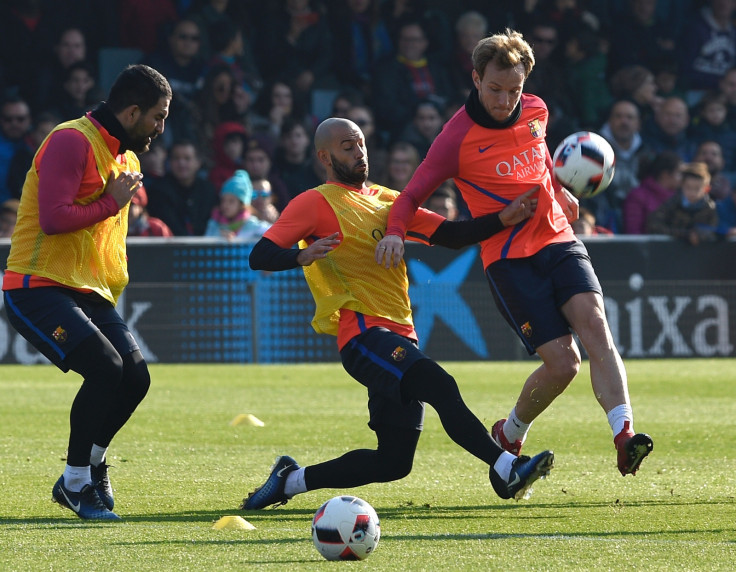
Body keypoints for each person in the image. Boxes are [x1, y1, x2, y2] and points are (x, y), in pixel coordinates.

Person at [376, 29, 653, 478]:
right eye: (495, 89)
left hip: (559, 239)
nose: (505, 100)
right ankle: (510, 433)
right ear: (475, 78)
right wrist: (393, 233)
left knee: (598, 328)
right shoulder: (455, 139)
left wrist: (560, 191)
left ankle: (625, 438)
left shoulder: (537, 111)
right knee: (564, 364)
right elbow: (409, 197)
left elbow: (541, 159)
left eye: (514, 90)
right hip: (509, 259)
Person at [242, 117, 553, 510]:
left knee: (393, 461)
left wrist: (501, 220)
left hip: (400, 335)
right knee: (440, 384)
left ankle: (290, 482)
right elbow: (259, 255)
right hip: (363, 336)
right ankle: (507, 467)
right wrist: (300, 255)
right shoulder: (315, 202)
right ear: (324, 156)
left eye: (359, 144)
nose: (358, 152)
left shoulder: (390, 201)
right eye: (346, 147)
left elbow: (451, 235)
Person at [2, 64, 171, 520]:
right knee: (104, 367)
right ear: (132, 112)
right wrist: (111, 203)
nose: (161, 128)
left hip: (90, 292)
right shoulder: (71, 140)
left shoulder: (128, 159)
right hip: (36, 284)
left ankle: (90, 467)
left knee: (136, 377)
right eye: (158, 117)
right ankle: (75, 483)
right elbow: (54, 219)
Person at [146, 139, 218, 236]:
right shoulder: (158, 191)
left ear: (198, 162)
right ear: (169, 162)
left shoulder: (208, 190)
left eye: (187, 158)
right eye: (176, 158)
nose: (181, 163)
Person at [647, 161, 718, 245]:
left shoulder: (710, 209)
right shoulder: (671, 204)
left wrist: (699, 235)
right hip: (670, 251)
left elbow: (714, 231)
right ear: (682, 186)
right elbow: (653, 225)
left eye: (697, 189)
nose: (692, 192)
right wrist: (685, 235)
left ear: (706, 189)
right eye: (688, 187)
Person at [622, 150, 683, 235]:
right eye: (679, 173)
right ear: (665, 174)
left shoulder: (681, 197)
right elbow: (633, 231)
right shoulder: (637, 196)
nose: (683, 178)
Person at [204, 169, 271, 240]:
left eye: (231, 201)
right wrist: (219, 237)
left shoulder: (252, 225)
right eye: (223, 200)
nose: (225, 205)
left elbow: (275, 233)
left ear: (242, 205)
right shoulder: (214, 224)